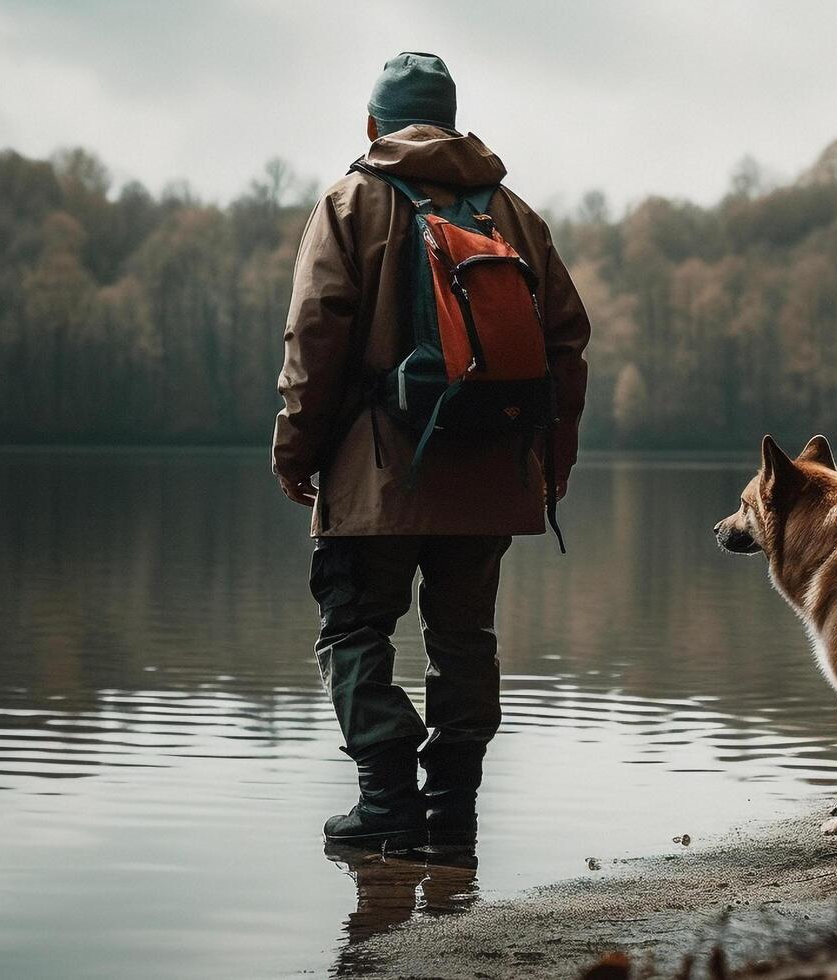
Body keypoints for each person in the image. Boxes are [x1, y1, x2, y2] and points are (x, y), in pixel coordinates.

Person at [272, 52, 590, 855]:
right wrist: (550, 467)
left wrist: (294, 449)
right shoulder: (513, 214)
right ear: (450, 121)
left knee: (353, 628)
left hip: (375, 467)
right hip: (489, 473)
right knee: (463, 640)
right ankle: (452, 810)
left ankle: (385, 801)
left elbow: (315, 338)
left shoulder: (351, 202)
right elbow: (565, 348)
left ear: (374, 124)